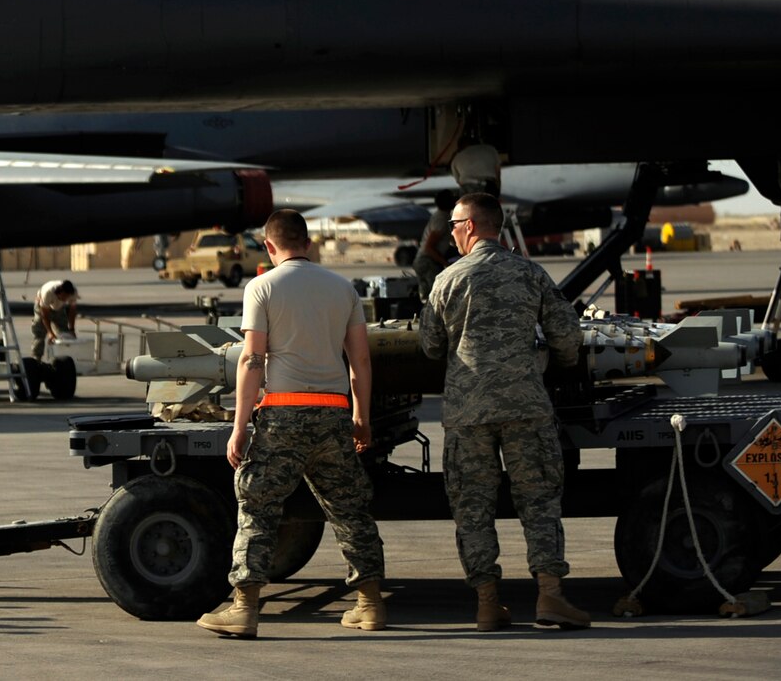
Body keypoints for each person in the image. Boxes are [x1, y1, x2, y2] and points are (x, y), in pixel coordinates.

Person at [196, 209, 387, 639]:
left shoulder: (261, 287)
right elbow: (359, 360)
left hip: (282, 414)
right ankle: (370, 603)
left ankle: (245, 607)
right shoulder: (342, 289)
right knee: (349, 508)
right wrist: (361, 416)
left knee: (258, 507)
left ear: (269, 245)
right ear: (307, 242)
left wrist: (239, 426)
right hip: (334, 414)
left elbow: (251, 359)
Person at [420, 191, 591, 631]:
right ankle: (551, 597)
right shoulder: (529, 273)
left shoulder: (447, 280)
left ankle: (487, 604)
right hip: (526, 407)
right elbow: (568, 336)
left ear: (471, 226)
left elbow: (431, 346)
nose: (452, 233)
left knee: (472, 509)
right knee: (539, 503)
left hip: (467, 413)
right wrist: (557, 364)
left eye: (455, 225)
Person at [411, 194, 457, 298]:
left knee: (428, 297)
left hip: (424, 261)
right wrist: (445, 264)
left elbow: (451, 240)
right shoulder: (441, 219)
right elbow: (429, 248)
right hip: (427, 261)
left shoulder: (442, 216)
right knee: (435, 296)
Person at [31, 278, 78, 360]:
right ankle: (36, 358)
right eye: (63, 297)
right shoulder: (48, 292)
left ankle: (63, 358)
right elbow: (44, 316)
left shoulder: (73, 292)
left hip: (59, 308)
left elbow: (72, 311)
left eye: (67, 297)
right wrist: (50, 333)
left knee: (64, 333)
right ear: (58, 292)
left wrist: (72, 329)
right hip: (42, 307)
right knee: (39, 332)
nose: (65, 299)